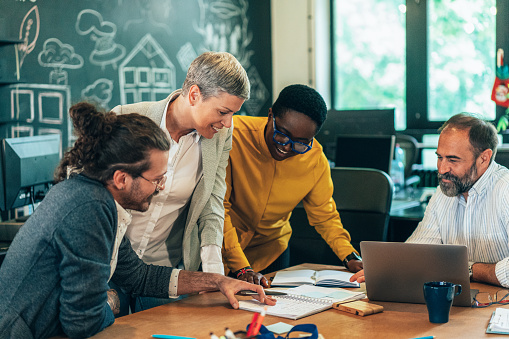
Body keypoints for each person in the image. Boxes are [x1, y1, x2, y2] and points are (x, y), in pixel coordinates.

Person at [0, 103, 274, 339]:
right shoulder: (89, 210)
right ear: (121, 178)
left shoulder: (99, 200)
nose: (161, 188)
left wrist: (215, 281)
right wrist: (114, 300)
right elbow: (82, 321)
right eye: (156, 180)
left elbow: (138, 275)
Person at [110, 51, 249, 314]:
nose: (228, 123)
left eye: (233, 113)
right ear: (194, 94)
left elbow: (212, 203)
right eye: (222, 111)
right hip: (110, 266)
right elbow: (89, 197)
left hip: (165, 274)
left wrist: (213, 276)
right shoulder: (124, 119)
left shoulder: (220, 136)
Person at [222, 84, 362, 286]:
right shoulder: (232, 135)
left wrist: (349, 256)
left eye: (300, 143)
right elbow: (219, 208)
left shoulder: (315, 159)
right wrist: (242, 267)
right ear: (270, 115)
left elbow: (324, 215)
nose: (286, 147)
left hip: (271, 254)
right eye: (282, 134)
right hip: (221, 248)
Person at [350, 112, 509, 287]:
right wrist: (389, 268)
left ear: (484, 159)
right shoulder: (443, 193)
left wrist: (470, 270)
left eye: (453, 160)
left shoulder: (505, 190)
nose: (442, 169)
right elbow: (420, 250)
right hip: (460, 302)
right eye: (439, 157)